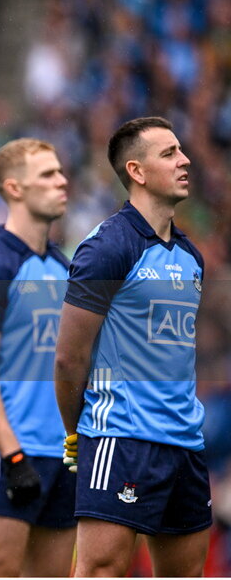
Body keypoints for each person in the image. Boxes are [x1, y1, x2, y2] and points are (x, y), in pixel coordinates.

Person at [55, 117, 210, 577]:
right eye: (169, 154)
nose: (184, 161)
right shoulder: (107, 247)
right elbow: (68, 357)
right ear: (137, 171)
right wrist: (75, 433)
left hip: (184, 442)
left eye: (181, 150)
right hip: (120, 438)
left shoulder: (190, 255)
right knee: (102, 572)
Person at [0, 138, 75, 576]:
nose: (62, 181)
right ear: (14, 189)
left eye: (61, 171)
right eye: (47, 174)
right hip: (8, 455)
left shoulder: (65, 269)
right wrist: (14, 456)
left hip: (63, 455)